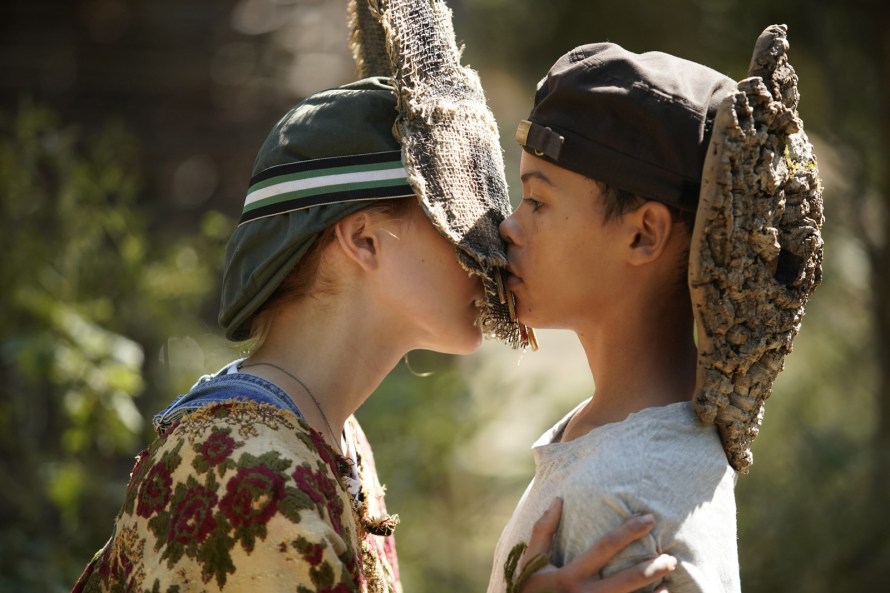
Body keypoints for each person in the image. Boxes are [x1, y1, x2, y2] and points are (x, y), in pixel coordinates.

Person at [69, 76, 678, 593]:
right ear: (364, 240)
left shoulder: (332, 439)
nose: (491, 249)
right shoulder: (250, 476)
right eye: (456, 219)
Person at [487, 25, 823, 592]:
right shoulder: (615, 437)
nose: (509, 227)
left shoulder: (624, 494)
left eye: (538, 201)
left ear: (644, 234)